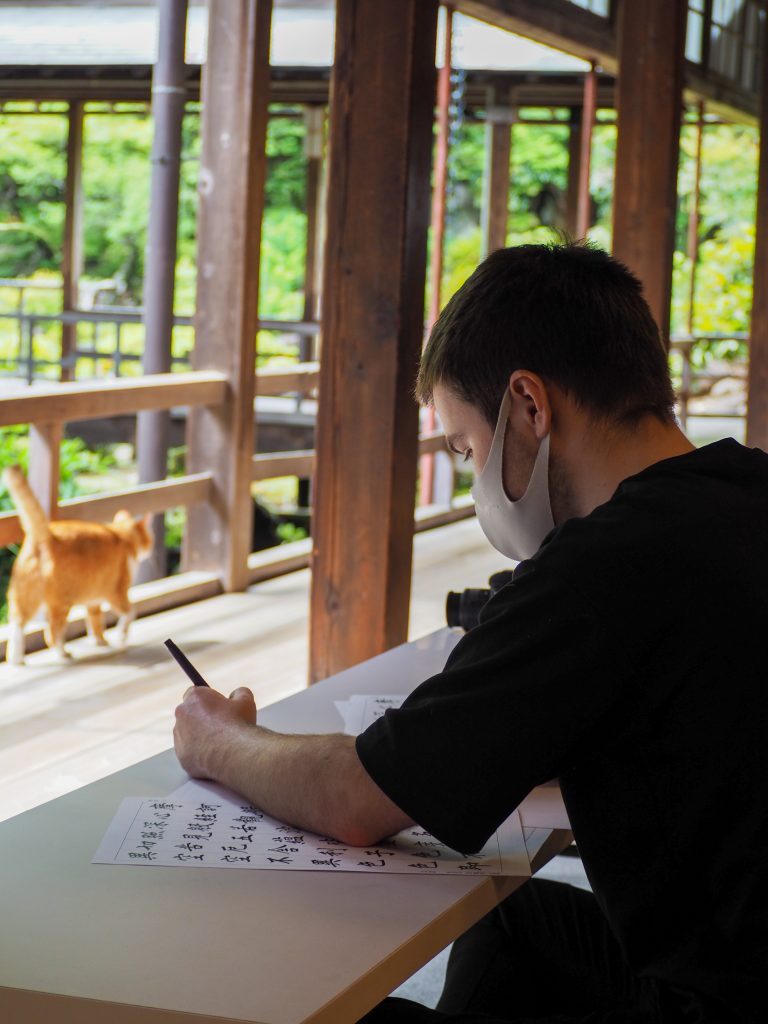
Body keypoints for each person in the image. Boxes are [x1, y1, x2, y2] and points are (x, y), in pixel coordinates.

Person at [174, 243, 767, 1023]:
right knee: (518, 924)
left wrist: (219, 741)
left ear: (529, 404)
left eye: (465, 447)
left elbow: (357, 799)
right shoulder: (746, 490)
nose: (473, 472)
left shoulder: (604, 564)